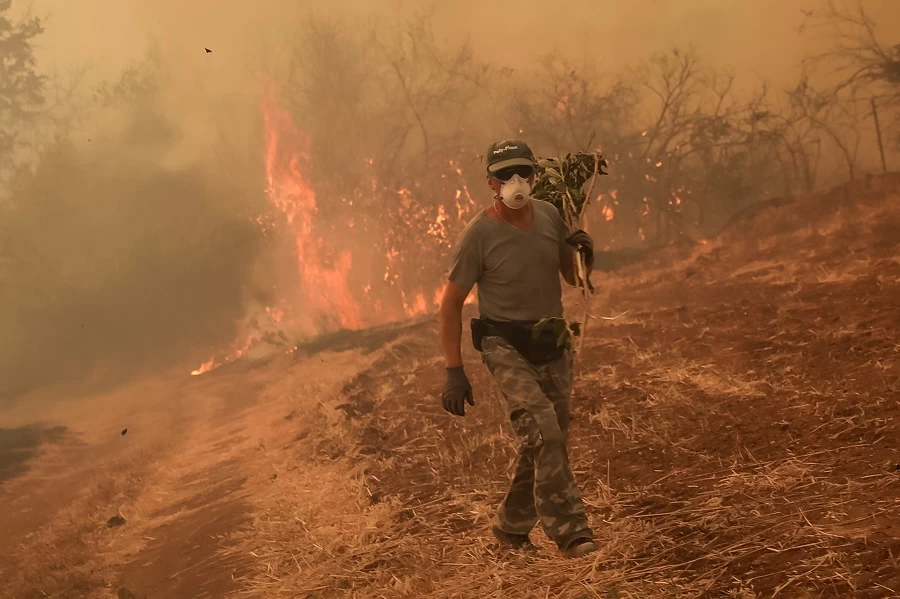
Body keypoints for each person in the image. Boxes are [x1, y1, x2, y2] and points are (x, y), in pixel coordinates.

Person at [438, 139, 597, 559]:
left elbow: (568, 275)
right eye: (504, 175)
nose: (515, 182)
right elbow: (451, 303)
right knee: (544, 429)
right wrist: (454, 370)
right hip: (504, 343)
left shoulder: (549, 216)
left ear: (536, 176)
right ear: (490, 182)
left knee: (548, 439)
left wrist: (581, 253)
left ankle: (510, 527)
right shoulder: (478, 235)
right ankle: (572, 532)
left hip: (553, 339)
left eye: (523, 172)